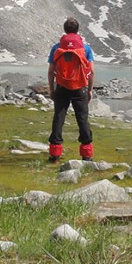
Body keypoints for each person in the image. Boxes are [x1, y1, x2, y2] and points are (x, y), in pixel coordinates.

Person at [47, 17, 95, 162]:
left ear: (65, 30)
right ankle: (86, 155)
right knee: (83, 119)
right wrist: (89, 90)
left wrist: (52, 89)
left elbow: (50, 71)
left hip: (61, 88)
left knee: (59, 119)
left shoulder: (57, 48)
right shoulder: (85, 48)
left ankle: (55, 154)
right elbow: (91, 71)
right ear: (77, 30)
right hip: (80, 88)